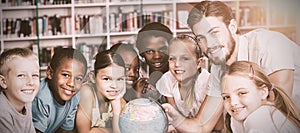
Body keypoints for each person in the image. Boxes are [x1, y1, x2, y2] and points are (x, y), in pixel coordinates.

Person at [163, 1, 300, 132]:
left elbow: (277, 107)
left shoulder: (270, 43)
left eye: (214, 32)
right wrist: (174, 117)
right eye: (201, 38)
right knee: (236, 120)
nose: (209, 44)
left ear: (233, 27)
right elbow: (202, 126)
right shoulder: (219, 69)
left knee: (256, 117)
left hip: (291, 118)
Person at [221, 61, 300, 132]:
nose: (233, 102)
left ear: (263, 92)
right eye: (226, 97)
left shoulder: (260, 119)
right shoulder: (239, 119)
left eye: (242, 93)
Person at [156, 34, 210, 132]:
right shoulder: (167, 79)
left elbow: (206, 124)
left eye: (185, 58)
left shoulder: (207, 82)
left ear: (198, 63)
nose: (177, 64)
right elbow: (175, 116)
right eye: (172, 58)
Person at [32, 48, 88, 133]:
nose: (72, 84)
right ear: (50, 73)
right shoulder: (41, 98)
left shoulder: (75, 97)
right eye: (66, 75)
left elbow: (66, 130)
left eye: (78, 78)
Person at [76, 50, 126, 133]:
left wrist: (117, 110)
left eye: (119, 79)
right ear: (93, 77)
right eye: (106, 79)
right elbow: (84, 131)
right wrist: (112, 130)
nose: (114, 86)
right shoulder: (86, 92)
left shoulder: (119, 100)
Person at [0, 48, 40, 133]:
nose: (31, 82)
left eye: (35, 75)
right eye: (21, 75)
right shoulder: (2, 112)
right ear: (3, 82)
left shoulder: (26, 103)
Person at [136, 22, 173, 87]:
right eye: (149, 51)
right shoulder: (136, 76)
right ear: (142, 53)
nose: (157, 56)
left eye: (162, 49)